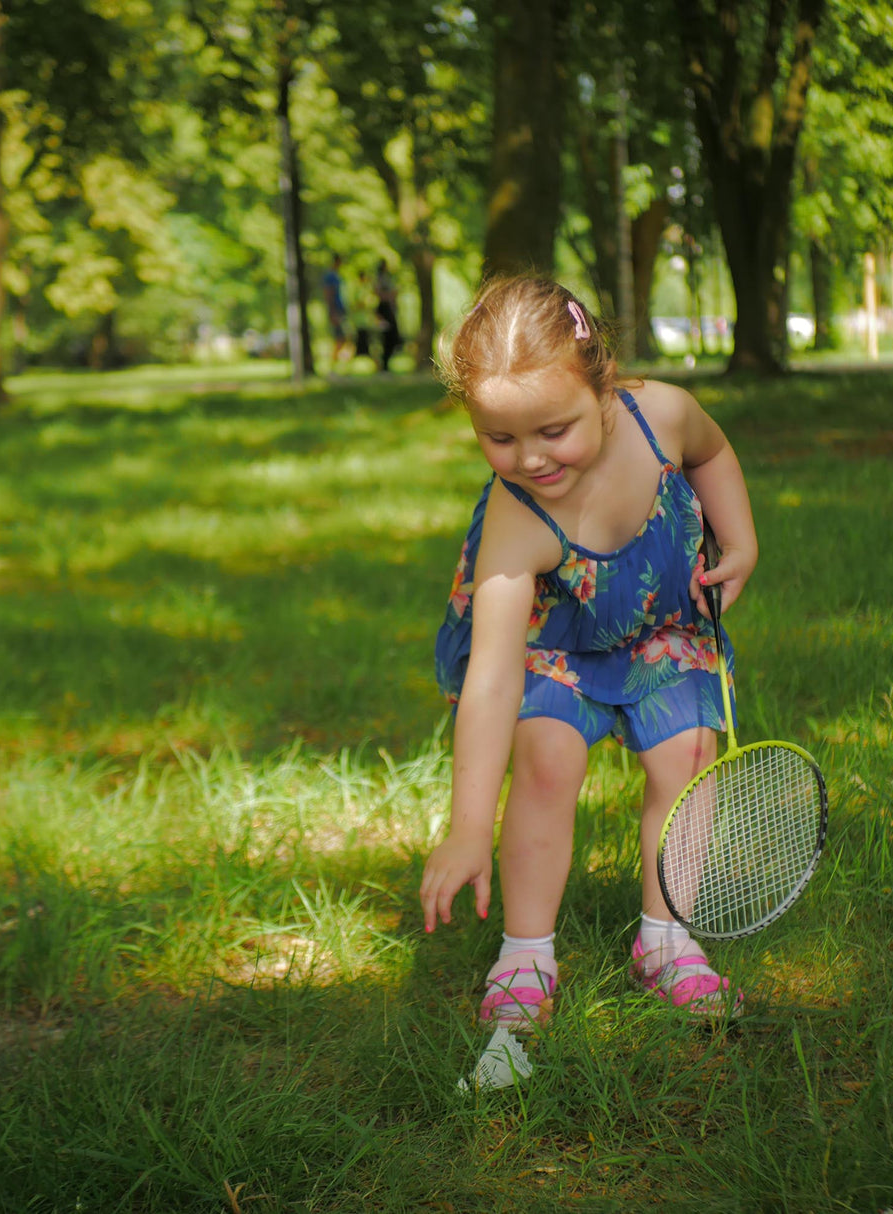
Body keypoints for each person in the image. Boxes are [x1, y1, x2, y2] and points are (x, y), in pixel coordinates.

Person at [420, 276, 759, 1032]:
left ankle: (667, 941)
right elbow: (493, 676)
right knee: (546, 758)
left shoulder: (663, 414)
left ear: (603, 385)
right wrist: (469, 824)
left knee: (688, 752)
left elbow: (713, 452)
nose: (531, 458)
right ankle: (526, 954)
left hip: (658, 628)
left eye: (553, 429)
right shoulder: (519, 519)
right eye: (499, 438)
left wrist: (738, 539)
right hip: (554, 642)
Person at [373, 259, 402, 371]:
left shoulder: (388, 278)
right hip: (383, 309)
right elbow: (378, 293)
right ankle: (383, 364)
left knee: (393, 337)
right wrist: (389, 295)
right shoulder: (379, 279)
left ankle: (386, 362)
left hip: (389, 309)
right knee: (385, 336)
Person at [321, 254, 350, 364]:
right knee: (339, 337)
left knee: (343, 337)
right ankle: (333, 363)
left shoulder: (337, 276)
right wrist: (332, 311)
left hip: (340, 309)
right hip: (335, 310)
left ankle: (337, 362)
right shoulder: (330, 276)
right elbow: (328, 294)